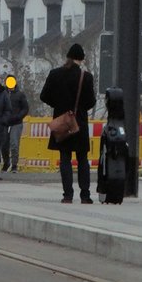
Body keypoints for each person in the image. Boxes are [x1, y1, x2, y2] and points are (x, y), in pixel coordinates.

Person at [40, 42, 97, 203]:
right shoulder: (85, 77)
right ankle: (85, 195)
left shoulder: (55, 74)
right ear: (81, 59)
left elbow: (43, 96)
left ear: (68, 57)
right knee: (82, 159)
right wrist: (78, 110)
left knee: (64, 157)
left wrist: (58, 106)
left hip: (61, 122)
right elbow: (91, 101)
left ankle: (67, 195)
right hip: (79, 123)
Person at [2, 73, 30, 173]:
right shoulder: (2, 94)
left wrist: (18, 116)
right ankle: (6, 163)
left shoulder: (20, 95)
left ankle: (14, 165)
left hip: (16, 123)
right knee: (4, 144)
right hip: (5, 123)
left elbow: (25, 108)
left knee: (14, 144)